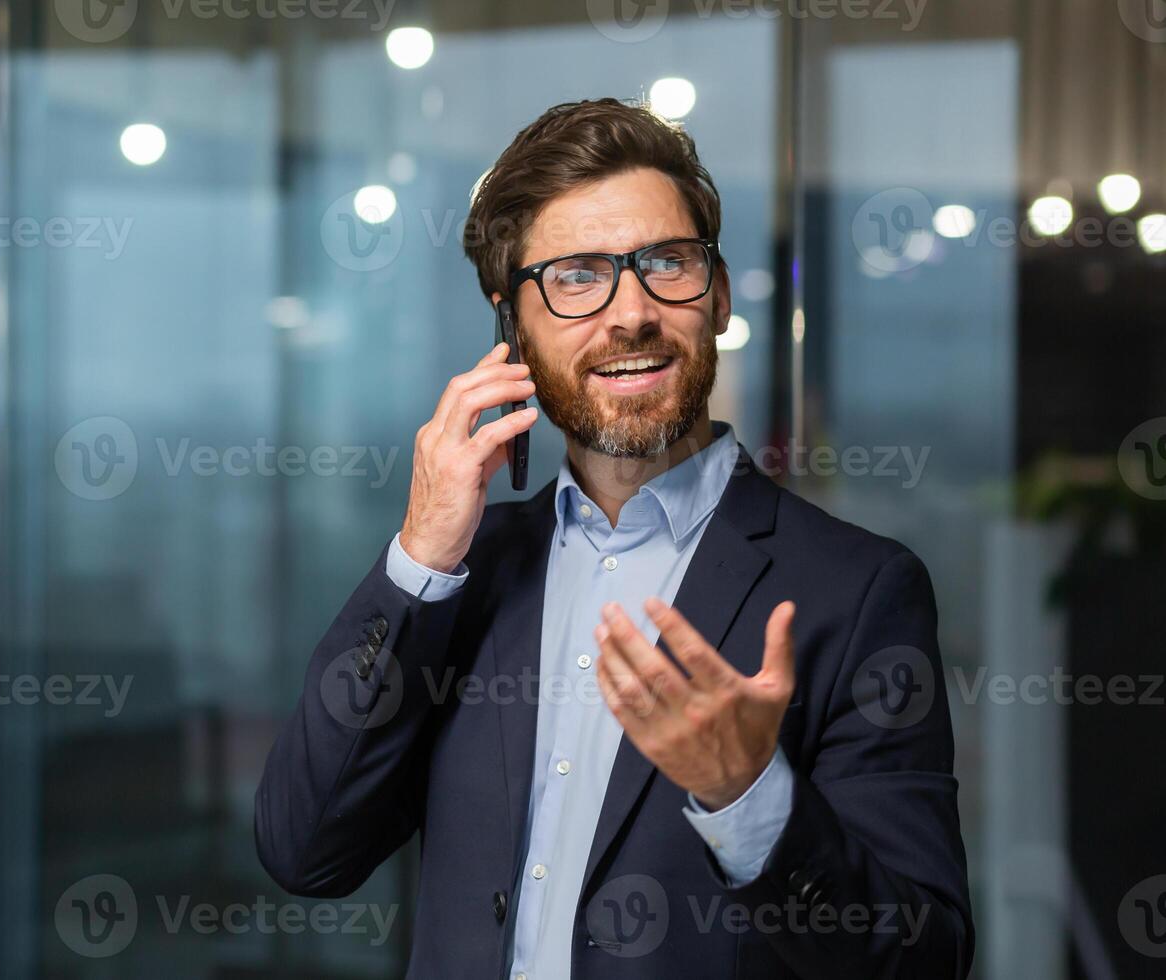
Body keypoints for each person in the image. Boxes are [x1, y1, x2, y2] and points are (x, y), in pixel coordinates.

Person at [256, 97, 973, 979]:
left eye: (667, 262)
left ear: (713, 294)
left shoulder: (858, 591)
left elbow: (922, 957)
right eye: (577, 276)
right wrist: (419, 561)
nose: (630, 312)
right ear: (511, 323)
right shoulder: (461, 574)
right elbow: (304, 850)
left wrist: (750, 798)